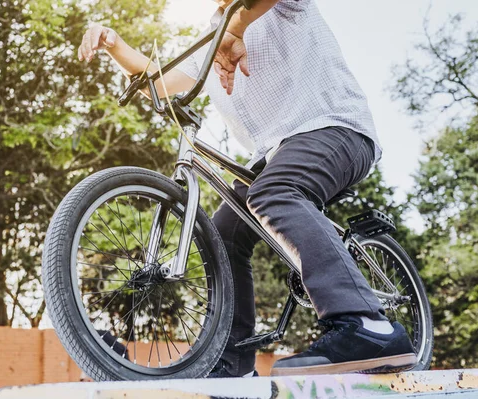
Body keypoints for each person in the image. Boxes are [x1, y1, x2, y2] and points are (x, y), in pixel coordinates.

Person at [78, 0, 417, 377]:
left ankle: (370, 325)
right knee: (222, 232)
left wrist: (237, 29)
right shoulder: (212, 41)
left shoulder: (283, 7)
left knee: (274, 191)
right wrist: (114, 44)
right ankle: (233, 364)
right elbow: (160, 80)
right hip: (274, 155)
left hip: (334, 128)